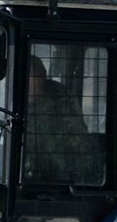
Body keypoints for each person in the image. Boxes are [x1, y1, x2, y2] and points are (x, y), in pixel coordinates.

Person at [24, 54, 97, 184]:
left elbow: (75, 138)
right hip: (25, 170)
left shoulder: (59, 97)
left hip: (60, 171)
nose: (35, 80)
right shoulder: (14, 99)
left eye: (37, 76)